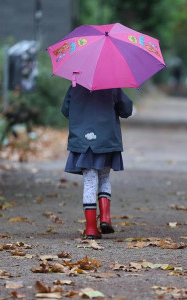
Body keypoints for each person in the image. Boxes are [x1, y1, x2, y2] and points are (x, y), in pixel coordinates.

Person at [61, 84, 133, 239]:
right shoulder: (112, 85)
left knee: (90, 181)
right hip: (105, 141)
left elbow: (65, 110)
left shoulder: (75, 85)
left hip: (83, 141)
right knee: (104, 178)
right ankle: (106, 218)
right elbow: (126, 110)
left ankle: (91, 228)